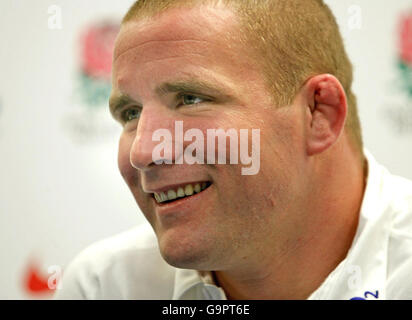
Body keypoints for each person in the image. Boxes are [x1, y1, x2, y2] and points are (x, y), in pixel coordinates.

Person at [54, 0, 412, 300]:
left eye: (190, 99)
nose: (144, 152)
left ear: (318, 113)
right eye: (131, 113)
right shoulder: (104, 287)